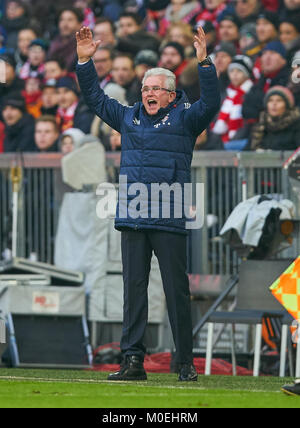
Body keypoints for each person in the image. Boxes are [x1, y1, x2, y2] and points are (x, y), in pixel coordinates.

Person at [76, 25, 220, 382]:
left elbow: (212, 103)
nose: (149, 93)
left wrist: (205, 64)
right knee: (133, 290)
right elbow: (95, 99)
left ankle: (184, 363)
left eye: (156, 88)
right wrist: (84, 62)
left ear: (171, 95)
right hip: (135, 213)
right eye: (145, 88)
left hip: (169, 212)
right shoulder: (129, 116)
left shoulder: (187, 117)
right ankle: (132, 362)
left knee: (176, 291)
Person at [250, 85, 300, 151]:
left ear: (287, 105)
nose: (274, 104)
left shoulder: (296, 125)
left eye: (279, 100)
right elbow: (246, 152)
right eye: (270, 100)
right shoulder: (260, 126)